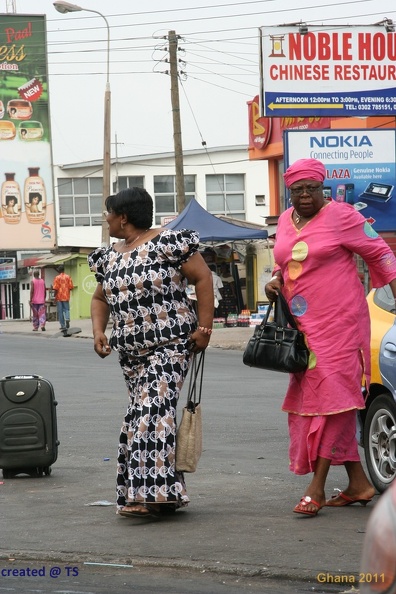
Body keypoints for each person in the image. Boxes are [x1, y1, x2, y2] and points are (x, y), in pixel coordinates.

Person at [264, 158, 396, 517]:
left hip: (341, 323)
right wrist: (275, 280)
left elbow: (381, 254)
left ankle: (317, 487)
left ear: (323, 188)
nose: (305, 195)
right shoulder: (286, 222)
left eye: (312, 189)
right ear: (288, 192)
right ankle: (359, 484)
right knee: (315, 400)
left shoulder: (343, 216)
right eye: (297, 190)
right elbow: (285, 262)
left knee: (336, 399)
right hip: (302, 328)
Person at [88, 187, 214, 519]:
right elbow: (101, 299)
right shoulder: (110, 256)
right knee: (138, 419)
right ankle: (163, 494)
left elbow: (202, 278)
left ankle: (153, 497)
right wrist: (99, 331)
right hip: (131, 355)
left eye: (109, 213)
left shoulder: (168, 243)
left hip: (171, 346)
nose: (107, 219)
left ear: (123, 217)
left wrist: (204, 328)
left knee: (151, 418)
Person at [52, 264, 74, 331]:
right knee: (67, 309)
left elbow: (56, 288)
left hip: (59, 297)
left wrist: (54, 296)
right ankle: (67, 319)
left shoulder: (57, 278)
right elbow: (71, 287)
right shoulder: (68, 277)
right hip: (66, 296)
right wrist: (66, 290)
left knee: (60, 311)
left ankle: (63, 325)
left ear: (59, 270)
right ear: (64, 270)